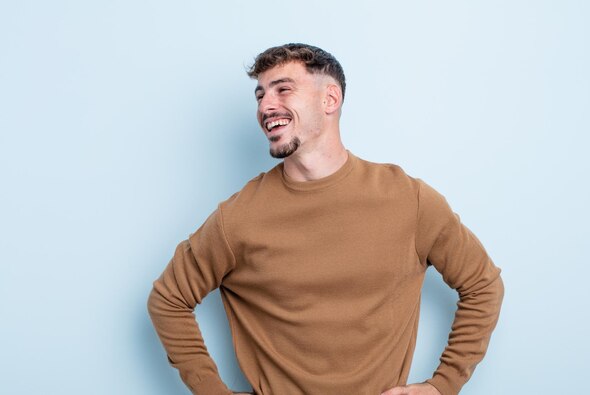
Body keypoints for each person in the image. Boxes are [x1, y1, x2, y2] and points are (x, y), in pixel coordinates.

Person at [148, 43, 504, 395]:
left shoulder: (407, 199)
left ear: (329, 100)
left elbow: (482, 284)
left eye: (283, 89)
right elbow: (168, 299)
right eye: (260, 95)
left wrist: (442, 385)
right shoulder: (238, 217)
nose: (265, 105)